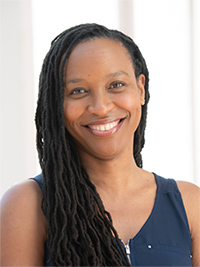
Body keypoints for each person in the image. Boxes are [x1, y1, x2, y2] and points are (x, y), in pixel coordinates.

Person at [1, 23, 200, 267]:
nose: (101, 107)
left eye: (116, 85)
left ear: (140, 89)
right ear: (56, 104)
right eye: (78, 91)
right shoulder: (27, 204)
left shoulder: (189, 204)